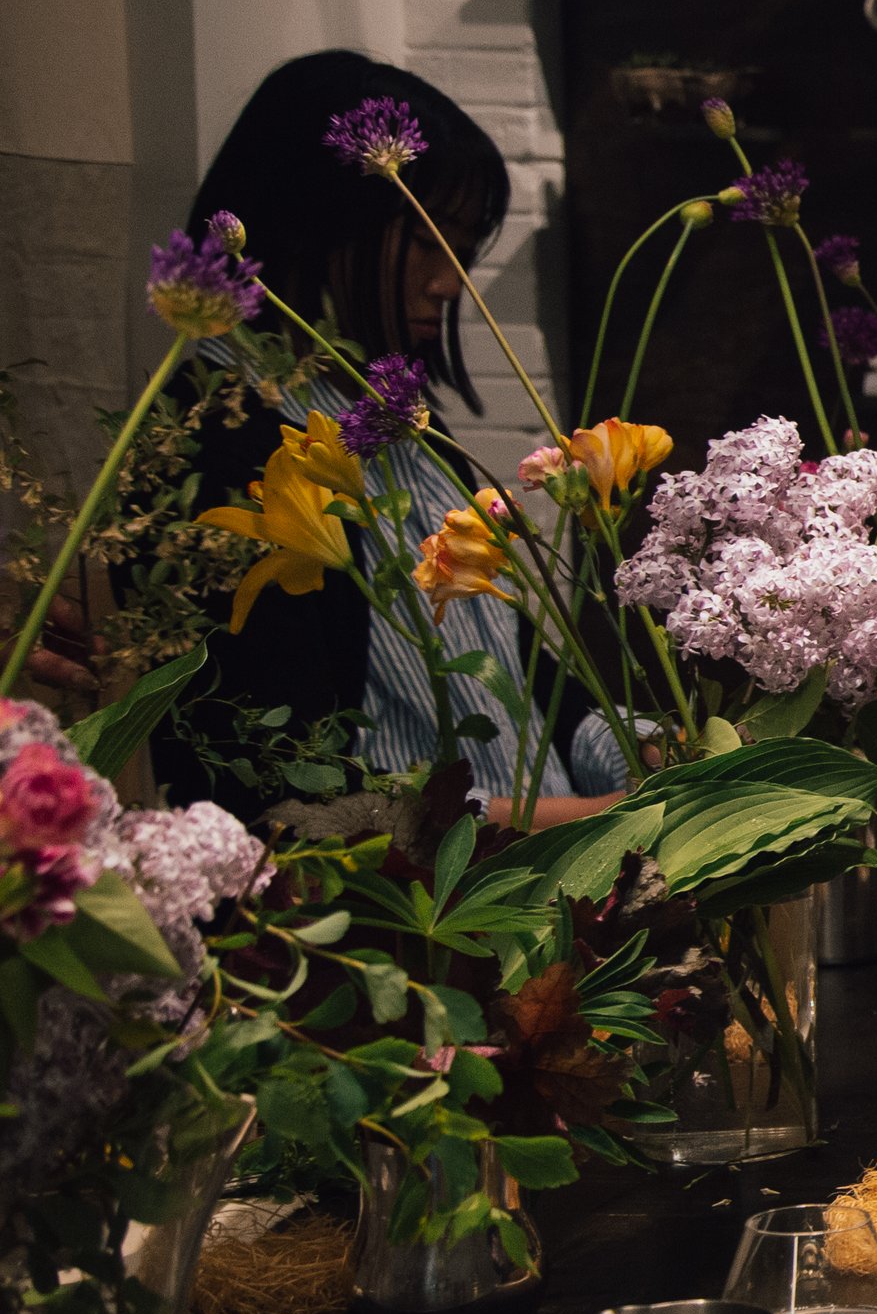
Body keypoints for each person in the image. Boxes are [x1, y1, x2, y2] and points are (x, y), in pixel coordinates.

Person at [155, 51, 628, 822]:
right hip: (421, 915)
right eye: (423, 239)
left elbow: (518, 674)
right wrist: (597, 819)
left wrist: (636, 745)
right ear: (315, 218)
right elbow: (297, 805)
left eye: (464, 249)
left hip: (532, 876)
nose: (449, 284)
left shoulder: (388, 410)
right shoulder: (224, 442)